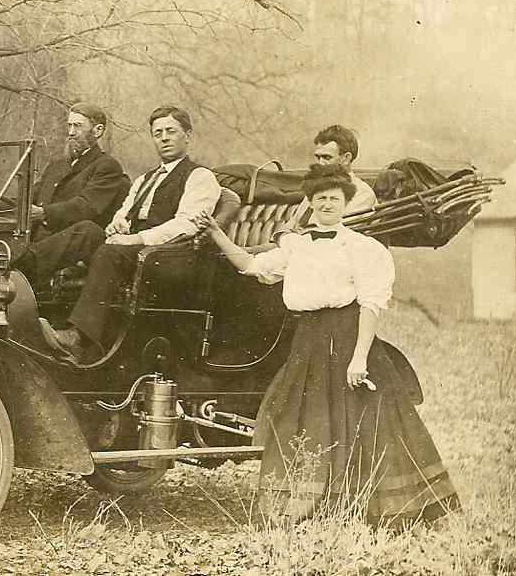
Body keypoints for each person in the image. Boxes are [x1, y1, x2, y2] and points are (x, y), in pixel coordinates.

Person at [195, 163, 459, 527]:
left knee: (362, 422)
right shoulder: (296, 246)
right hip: (307, 340)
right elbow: (253, 265)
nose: (328, 205)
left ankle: (375, 506)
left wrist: (360, 358)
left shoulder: (362, 248)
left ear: (345, 202)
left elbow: (370, 305)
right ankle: (309, 506)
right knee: (305, 419)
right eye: (321, 199)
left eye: (335, 199)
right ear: (311, 203)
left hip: (347, 337)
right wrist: (216, 235)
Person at [39, 105, 221, 363]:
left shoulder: (200, 177)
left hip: (171, 257)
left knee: (110, 252)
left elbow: (185, 225)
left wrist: (135, 238)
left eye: (171, 131)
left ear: (187, 135)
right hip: (135, 250)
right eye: (158, 133)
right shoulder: (145, 179)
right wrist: (118, 225)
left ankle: (78, 339)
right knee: (88, 232)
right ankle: (24, 278)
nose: (164, 138)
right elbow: (123, 212)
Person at [13, 103, 129, 283]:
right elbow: (29, 197)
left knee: (87, 229)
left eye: (78, 126)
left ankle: (19, 266)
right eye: (69, 126)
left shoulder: (106, 166)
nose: (71, 132)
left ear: (97, 131)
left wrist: (44, 213)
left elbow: (87, 207)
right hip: (39, 242)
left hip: (73, 247)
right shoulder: (56, 165)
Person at [286, 125, 377, 230]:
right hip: (295, 242)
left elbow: (333, 233)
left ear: (346, 158)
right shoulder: (316, 187)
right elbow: (292, 224)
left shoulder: (362, 194)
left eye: (327, 157)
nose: (320, 163)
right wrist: (283, 237)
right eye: (318, 157)